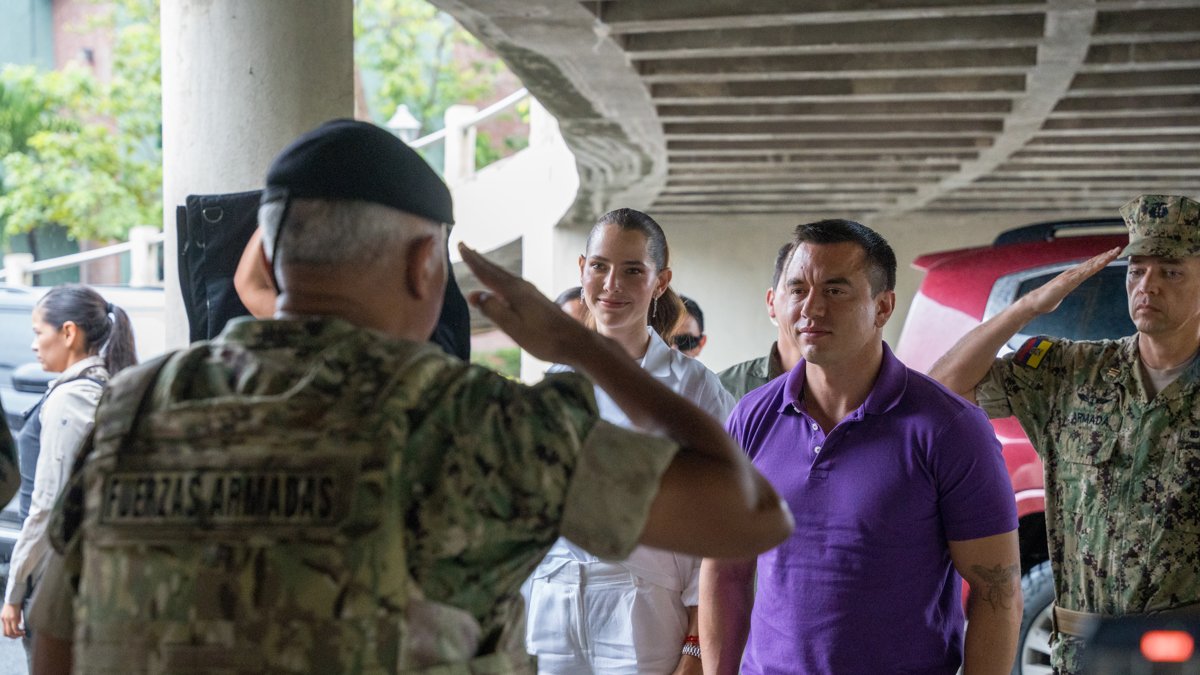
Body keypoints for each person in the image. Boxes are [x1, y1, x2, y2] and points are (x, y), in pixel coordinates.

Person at [27, 119, 792, 674]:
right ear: (427, 263)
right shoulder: (474, 423)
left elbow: (52, 642)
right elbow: (749, 511)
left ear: (271, 250)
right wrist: (577, 345)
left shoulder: (135, 407)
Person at [701, 219, 1022, 675]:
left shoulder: (949, 428)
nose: (810, 308)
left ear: (883, 306)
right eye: (797, 289)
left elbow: (998, 593)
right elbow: (725, 573)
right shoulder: (752, 418)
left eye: (835, 290)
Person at [927, 193, 1200, 674]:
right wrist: (1030, 306)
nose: (1147, 286)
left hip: (1185, 655)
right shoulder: (1072, 373)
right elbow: (942, 388)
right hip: (1081, 654)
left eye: (1171, 272)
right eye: (1137, 271)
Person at [525, 209, 735, 675]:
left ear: (660, 281)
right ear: (582, 269)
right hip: (550, 605)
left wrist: (697, 644)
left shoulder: (693, 388)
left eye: (633, 270)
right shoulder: (555, 384)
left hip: (641, 608)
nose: (611, 284)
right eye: (599, 266)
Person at [1, 286, 137, 661]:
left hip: (57, 579)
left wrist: (14, 591)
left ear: (68, 333)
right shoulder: (107, 386)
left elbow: (48, 504)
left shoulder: (71, 397)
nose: (33, 345)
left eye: (38, 332)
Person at [719, 242, 802, 399]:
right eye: (798, 291)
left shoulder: (860, 391)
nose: (814, 306)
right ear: (772, 302)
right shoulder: (723, 390)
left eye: (833, 291)